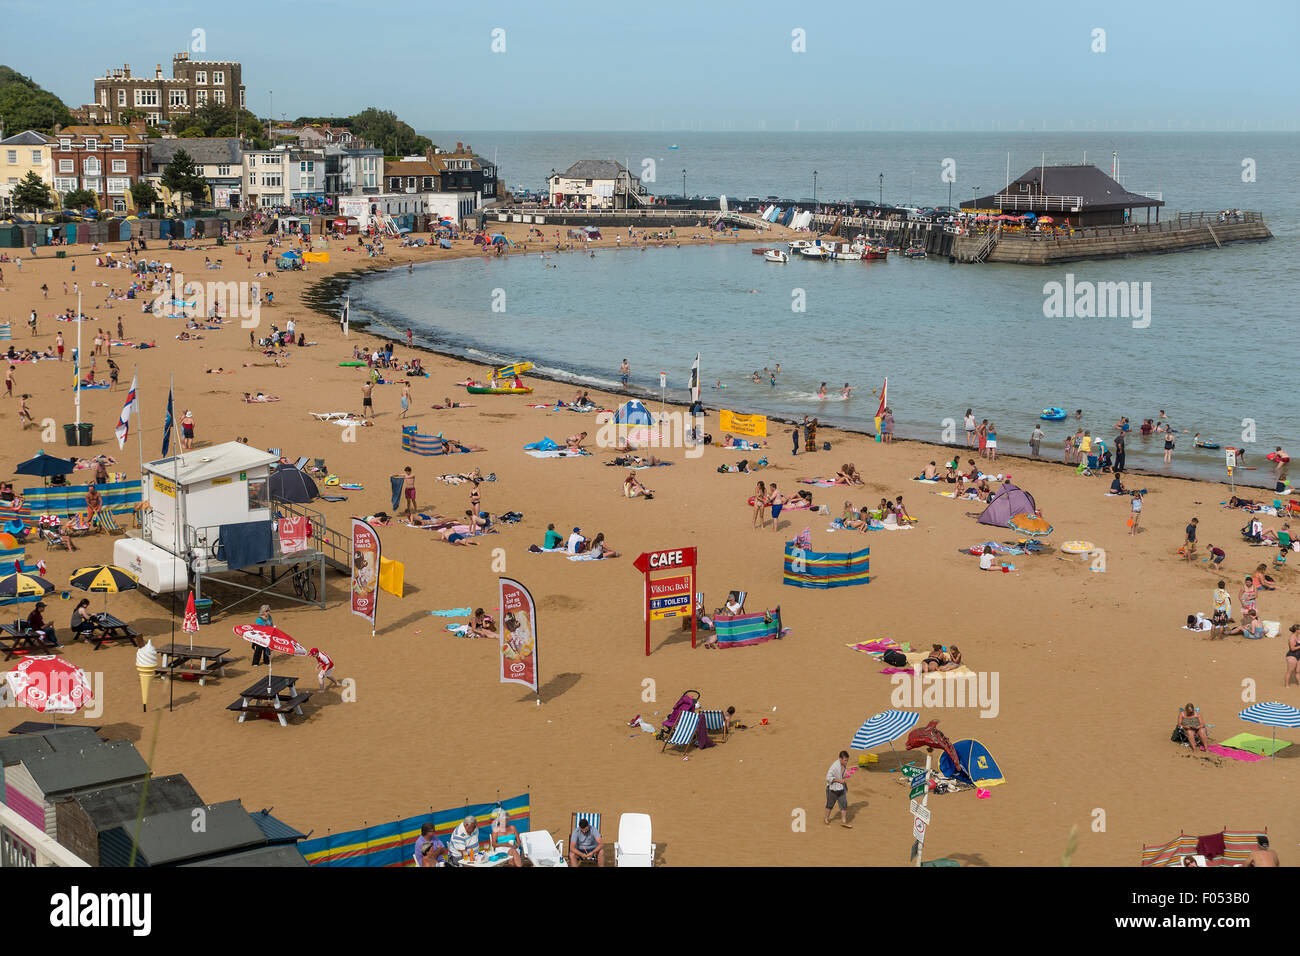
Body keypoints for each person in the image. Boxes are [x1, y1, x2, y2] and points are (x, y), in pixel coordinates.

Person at [824, 750, 852, 828]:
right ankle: (826, 818)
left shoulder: (843, 765)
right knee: (830, 804)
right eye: (845, 760)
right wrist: (839, 780)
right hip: (832, 788)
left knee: (844, 804)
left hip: (841, 788)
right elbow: (828, 777)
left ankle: (843, 821)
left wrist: (847, 774)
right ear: (840, 759)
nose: (846, 762)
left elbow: (843, 774)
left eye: (847, 760)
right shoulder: (834, 766)